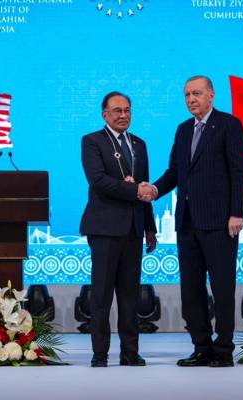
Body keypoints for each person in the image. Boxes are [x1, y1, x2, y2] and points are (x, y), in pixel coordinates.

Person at [150, 76, 243, 367]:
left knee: (222, 288)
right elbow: (175, 172)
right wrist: (154, 190)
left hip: (220, 222)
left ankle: (224, 350)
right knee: (191, 291)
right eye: (187, 95)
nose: (191, 99)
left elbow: (239, 172)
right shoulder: (183, 130)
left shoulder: (229, 125)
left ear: (211, 95)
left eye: (197, 93)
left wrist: (237, 213)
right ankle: (202, 348)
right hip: (187, 223)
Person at [80, 91, 157, 368]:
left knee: (129, 296)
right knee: (101, 295)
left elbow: (144, 187)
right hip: (104, 228)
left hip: (134, 228)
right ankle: (100, 353)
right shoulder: (92, 141)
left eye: (127, 110)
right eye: (117, 111)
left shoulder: (139, 144)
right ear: (105, 114)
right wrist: (132, 189)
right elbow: (98, 181)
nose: (123, 115)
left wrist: (149, 227)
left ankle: (130, 353)